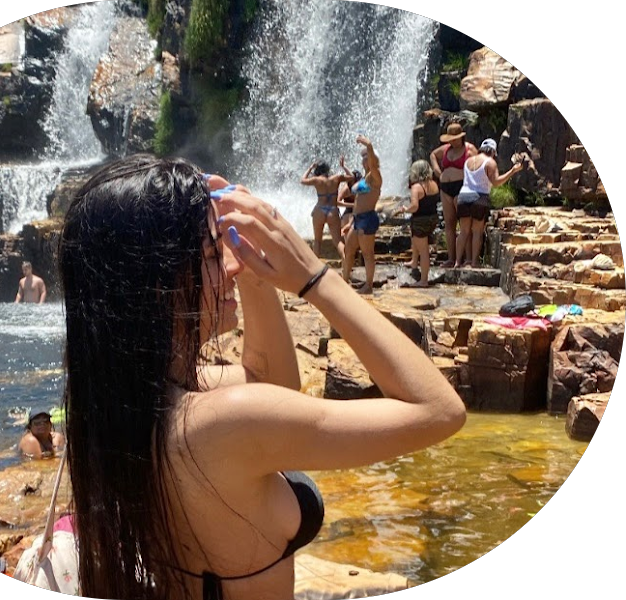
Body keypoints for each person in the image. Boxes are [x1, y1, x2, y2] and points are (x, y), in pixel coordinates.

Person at [55, 154, 465, 599]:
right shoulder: (222, 422)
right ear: (157, 285)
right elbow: (439, 410)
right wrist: (314, 276)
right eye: (213, 253)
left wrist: (254, 272)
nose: (230, 265)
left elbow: (273, 385)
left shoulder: (126, 397)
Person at [454, 138, 523, 268]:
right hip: (479, 197)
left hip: (463, 196)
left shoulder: (468, 161)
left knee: (463, 232)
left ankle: (457, 262)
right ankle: (474, 262)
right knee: (477, 232)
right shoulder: (490, 162)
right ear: (492, 151)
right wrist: (512, 171)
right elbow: (496, 182)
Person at [430, 123, 478, 267]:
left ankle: (468, 258)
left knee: (464, 225)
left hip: (461, 187)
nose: (452, 141)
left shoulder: (469, 149)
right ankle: (451, 258)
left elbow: (477, 166)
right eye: (450, 139)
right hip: (445, 189)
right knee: (449, 224)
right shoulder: (446, 149)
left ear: (461, 137)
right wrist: (437, 171)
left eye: (454, 138)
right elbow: (433, 155)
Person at [342, 134, 382, 293]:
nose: (364, 160)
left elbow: (373, 164)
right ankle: (344, 281)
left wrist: (369, 145)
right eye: (363, 157)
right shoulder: (364, 178)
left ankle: (369, 285)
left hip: (368, 218)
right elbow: (358, 201)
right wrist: (350, 223)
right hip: (357, 219)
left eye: (367, 157)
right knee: (349, 250)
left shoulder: (375, 176)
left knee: (367, 253)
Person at [395, 160, 441, 287]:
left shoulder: (416, 187)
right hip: (432, 218)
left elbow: (414, 207)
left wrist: (405, 209)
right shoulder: (434, 184)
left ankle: (424, 280)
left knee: (424, 250)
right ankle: (414, 262)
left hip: (420, 220)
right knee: (415, 239)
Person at [300, 159, 354, 259]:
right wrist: (343, 166)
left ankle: (315, 266)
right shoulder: (336, 178)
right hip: (332, 210)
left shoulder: (317, 180)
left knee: (317, 241)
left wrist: (310, 168)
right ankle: (346, 261)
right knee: (338, 241)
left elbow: (302, 180)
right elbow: (352, 177)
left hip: (319, 210)